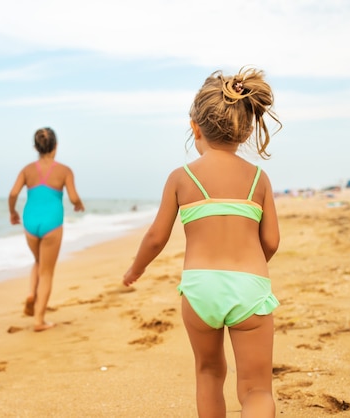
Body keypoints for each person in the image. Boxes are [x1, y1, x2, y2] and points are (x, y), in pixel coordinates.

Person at [123, 67, 282, 417]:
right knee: (256, 389)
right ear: (247, 129)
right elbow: (271, 240)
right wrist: (251, 265)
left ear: (195, 127)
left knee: (208, 373)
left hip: (199, 289)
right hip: (249, 286)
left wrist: (135, 269)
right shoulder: (259, 178)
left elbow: (155, 237)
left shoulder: (181, 178)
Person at [9, 127, 85, 332]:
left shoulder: (27, 170)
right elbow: (73, 197)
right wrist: (79, 205)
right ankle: (39, 321)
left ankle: (31, 294)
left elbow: (13, 193)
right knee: (47, 272)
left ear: (35, 147)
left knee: (38, 262)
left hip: (30, 222)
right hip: (52, 223)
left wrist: (12, 213)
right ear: (56, 146)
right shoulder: (64, 171)